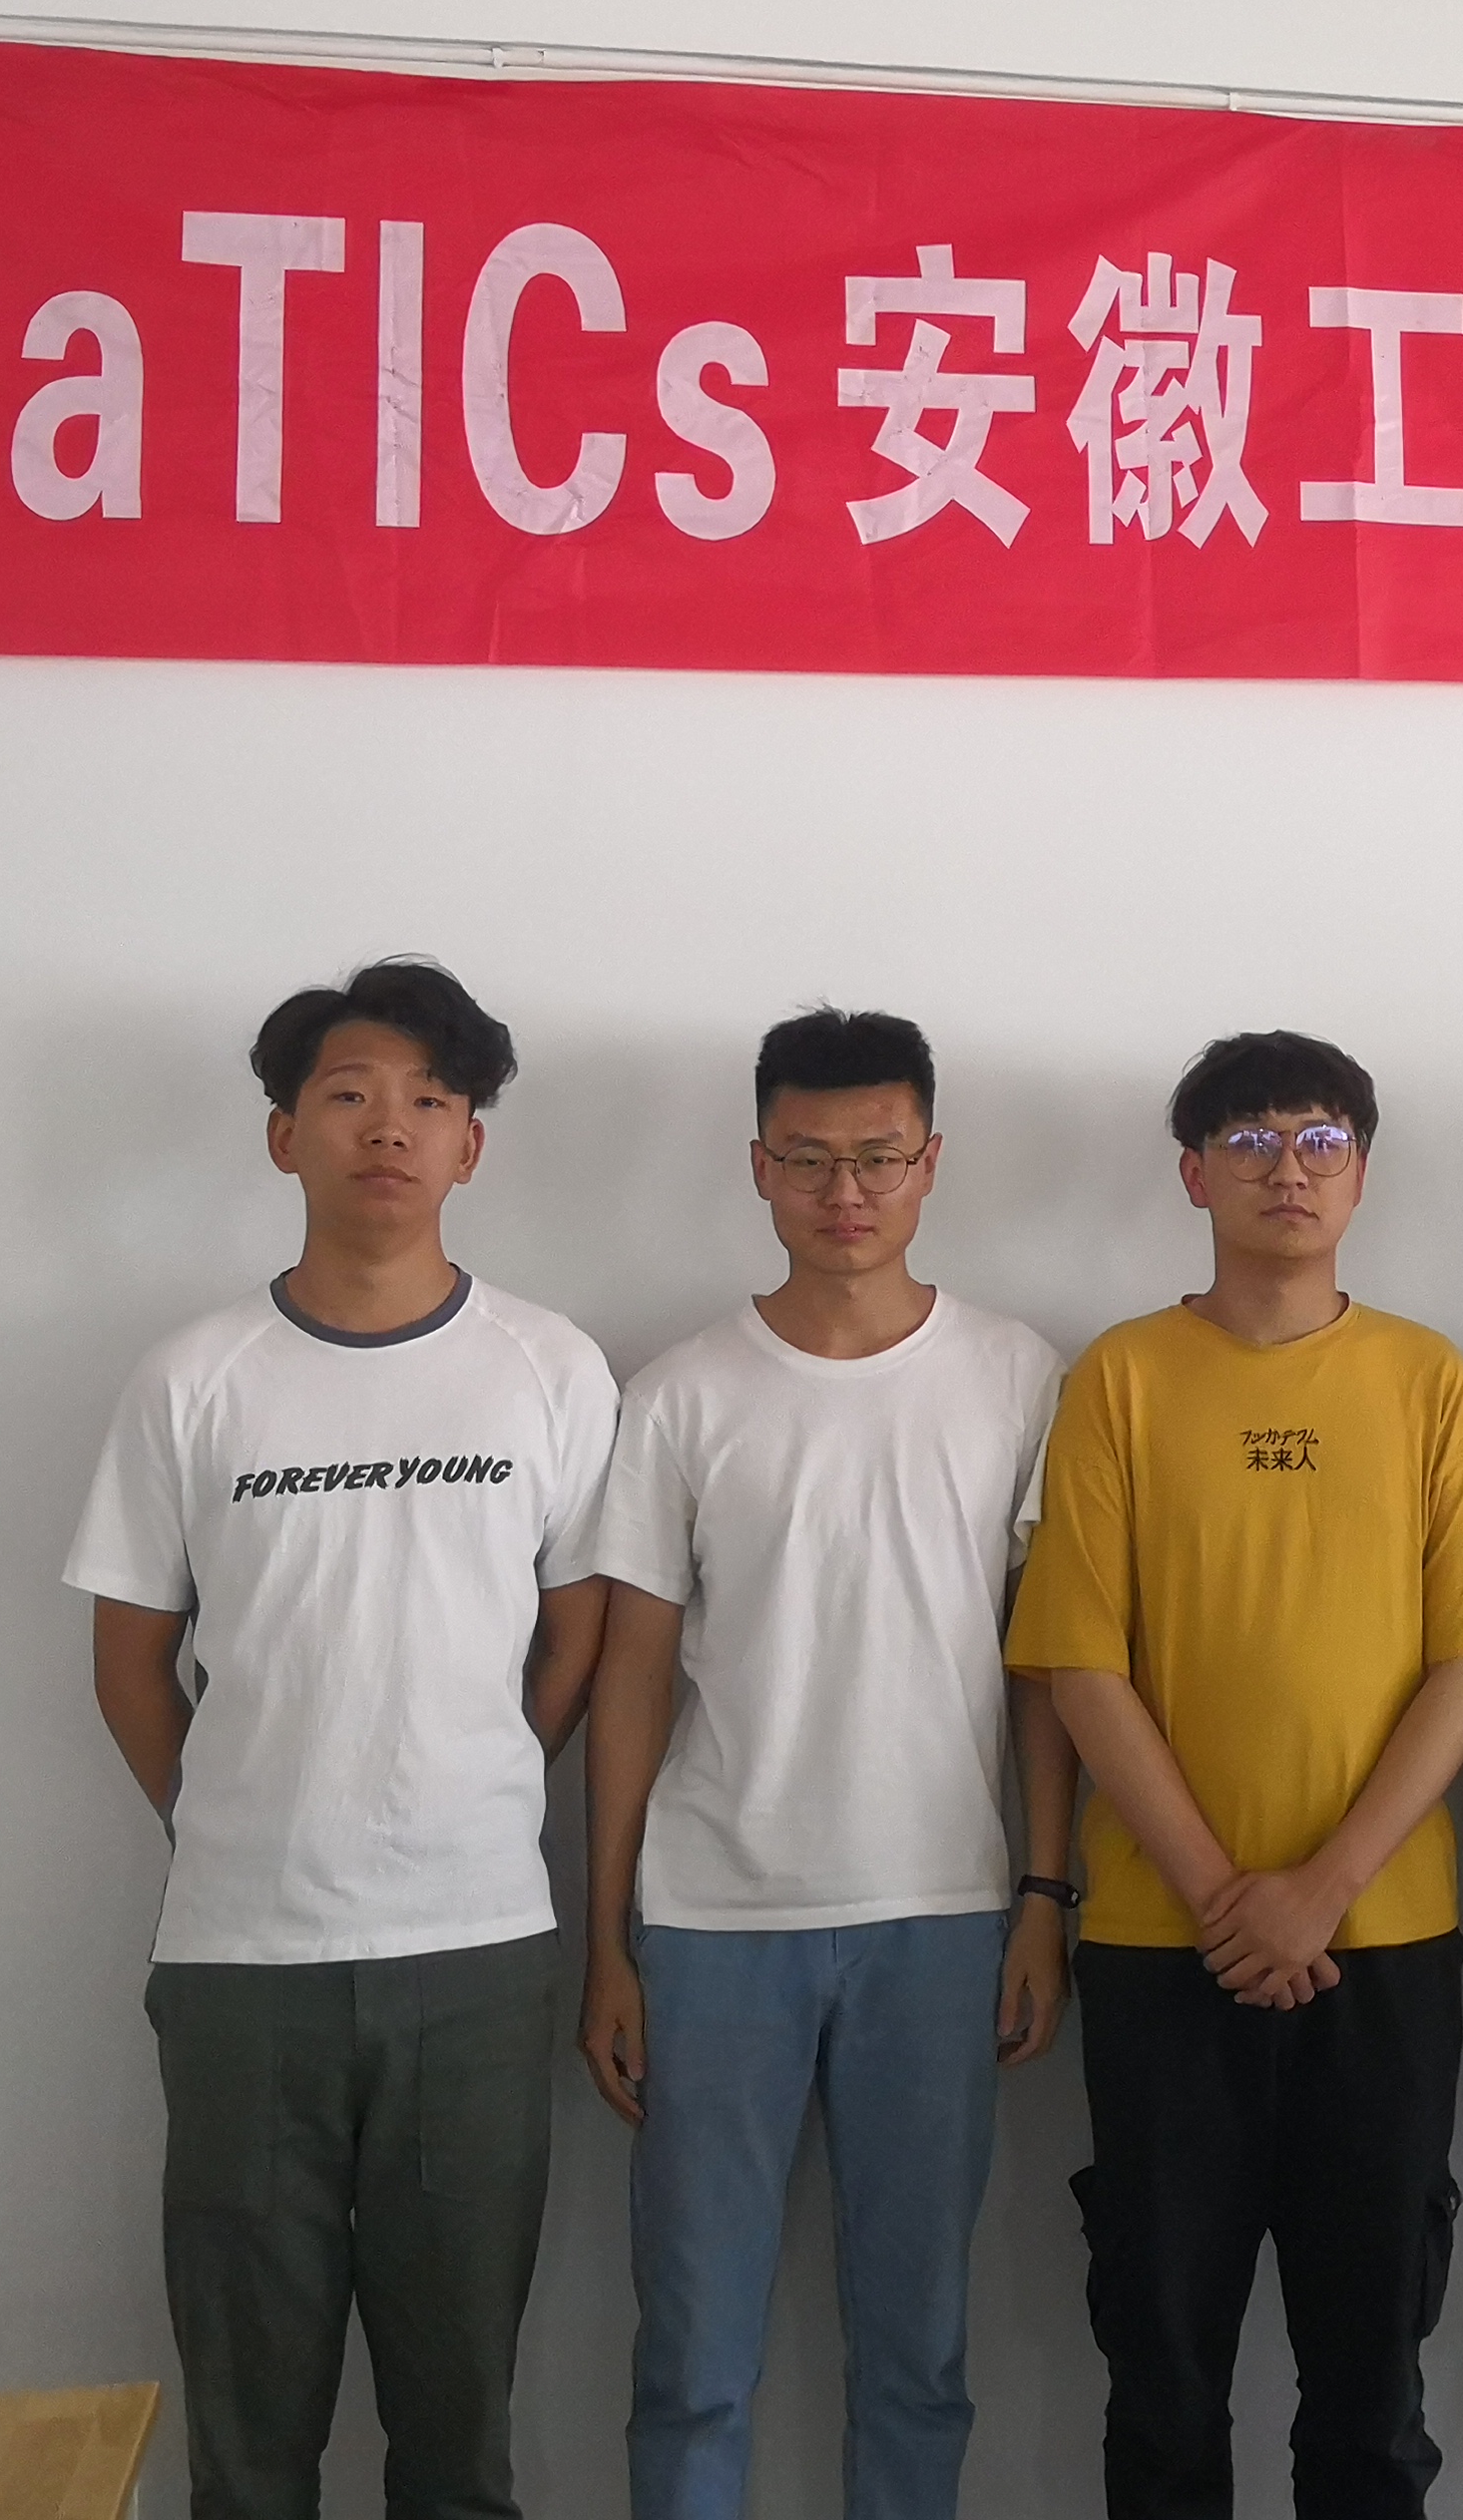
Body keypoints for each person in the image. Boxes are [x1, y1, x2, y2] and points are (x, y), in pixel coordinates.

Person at [64, 958, 619, 2520]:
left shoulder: (549, 1368)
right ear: (283, 1134)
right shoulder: (193, 1379)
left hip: (476, 1953)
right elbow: (128, 1662)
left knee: (459, 2431)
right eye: (351, 1095)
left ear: (470, 1147)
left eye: (430, 1102)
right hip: (246, 1965)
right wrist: (235, 1814)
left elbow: (579, 1636)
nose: (390, 1128)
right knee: (251, 2441)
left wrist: (473, 1781)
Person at [575, 1007, 1081, 2520]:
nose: (844, 1192)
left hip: (941, 1914)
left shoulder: (1015, 1375)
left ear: (931, 1162)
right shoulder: (680, 1393)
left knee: (918, 2355)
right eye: (807, 1160)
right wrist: (609, 1941)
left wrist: (1042, 1894)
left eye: (878, 1157)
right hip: (711, 1923)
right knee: (692, 2359)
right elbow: (630, 1678)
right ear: (759, 1168)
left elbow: (1045, 1668)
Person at [1004, 1031, 1463, 2520]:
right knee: (1163, 2377)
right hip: (1163, 1948)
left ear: (1360, 1172)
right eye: (1248, 1141)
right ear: (1192, 1175)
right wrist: (1233, 1898)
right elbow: (1079, 1667)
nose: (1286, 1169)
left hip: (1385, 1946)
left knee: (1373, 2388)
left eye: (1319, 1140)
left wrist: (1323, 1891)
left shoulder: (1429, 1381)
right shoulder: (1120, 1378)